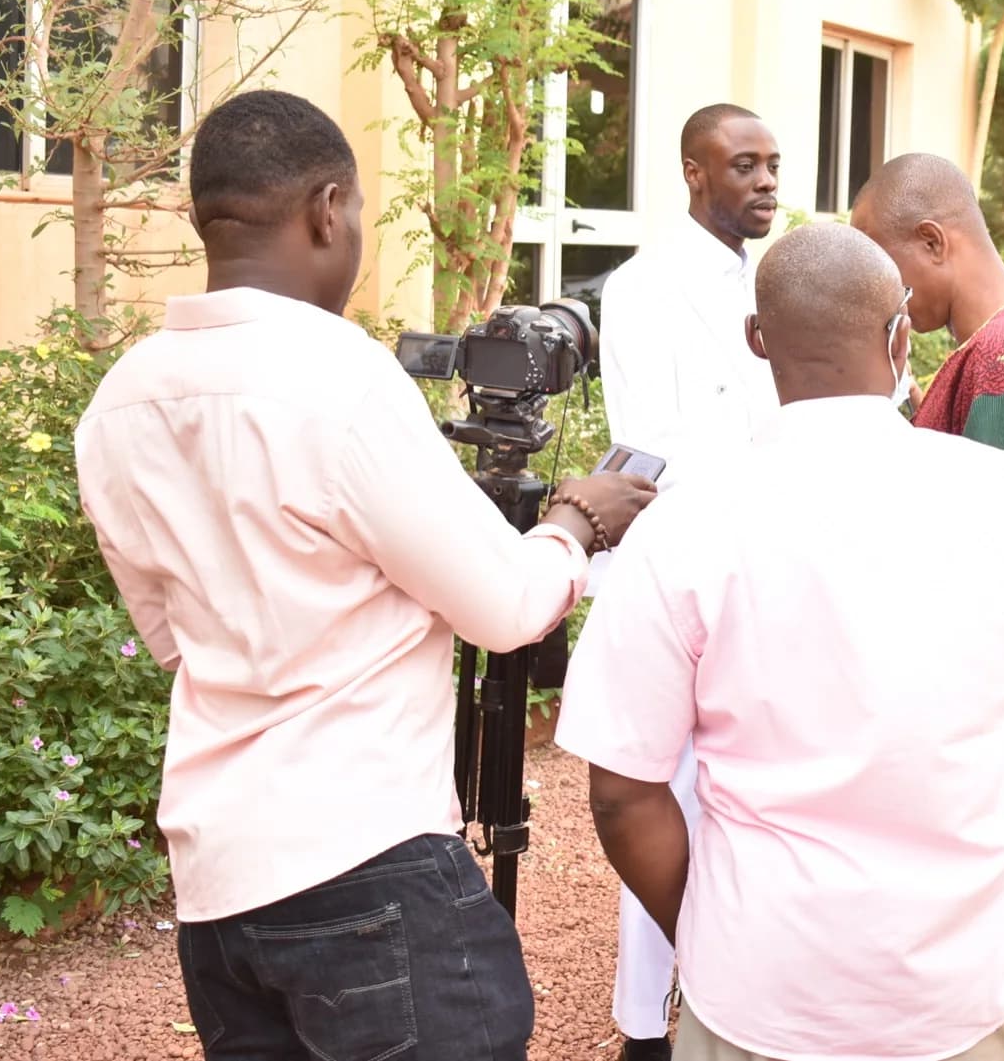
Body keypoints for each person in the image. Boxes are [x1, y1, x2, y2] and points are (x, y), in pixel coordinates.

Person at [73, 89, 655, 1061]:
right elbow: (507, 609)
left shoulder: (120, 403)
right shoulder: (338, 378)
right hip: (367, 869)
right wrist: (573, 523)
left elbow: (174, 640)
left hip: (218, 895)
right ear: (328, 209)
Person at [555, 223, 1004, 1061]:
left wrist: (711, 930)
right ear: (900, 339)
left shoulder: (683, 528)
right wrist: (975, 830)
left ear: (756, 340)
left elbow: (622, 792)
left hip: (759, 991)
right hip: (960, 989)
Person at [592, 103, 785, 1059]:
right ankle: (644, 1026)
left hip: (766, 563)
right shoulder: (642, 285)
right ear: (692, 172)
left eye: (773, 165)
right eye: (742, 164)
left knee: (743, 789)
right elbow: (654, 442)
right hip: (681, 562)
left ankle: (737, 986)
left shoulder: (772, 281)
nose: (765, 182)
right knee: (660, 793)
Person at [850, 153, 1004, 519]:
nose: (880, 290)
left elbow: (1001, 545)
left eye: (881, 267)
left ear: (932, 242)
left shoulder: (999, 360)